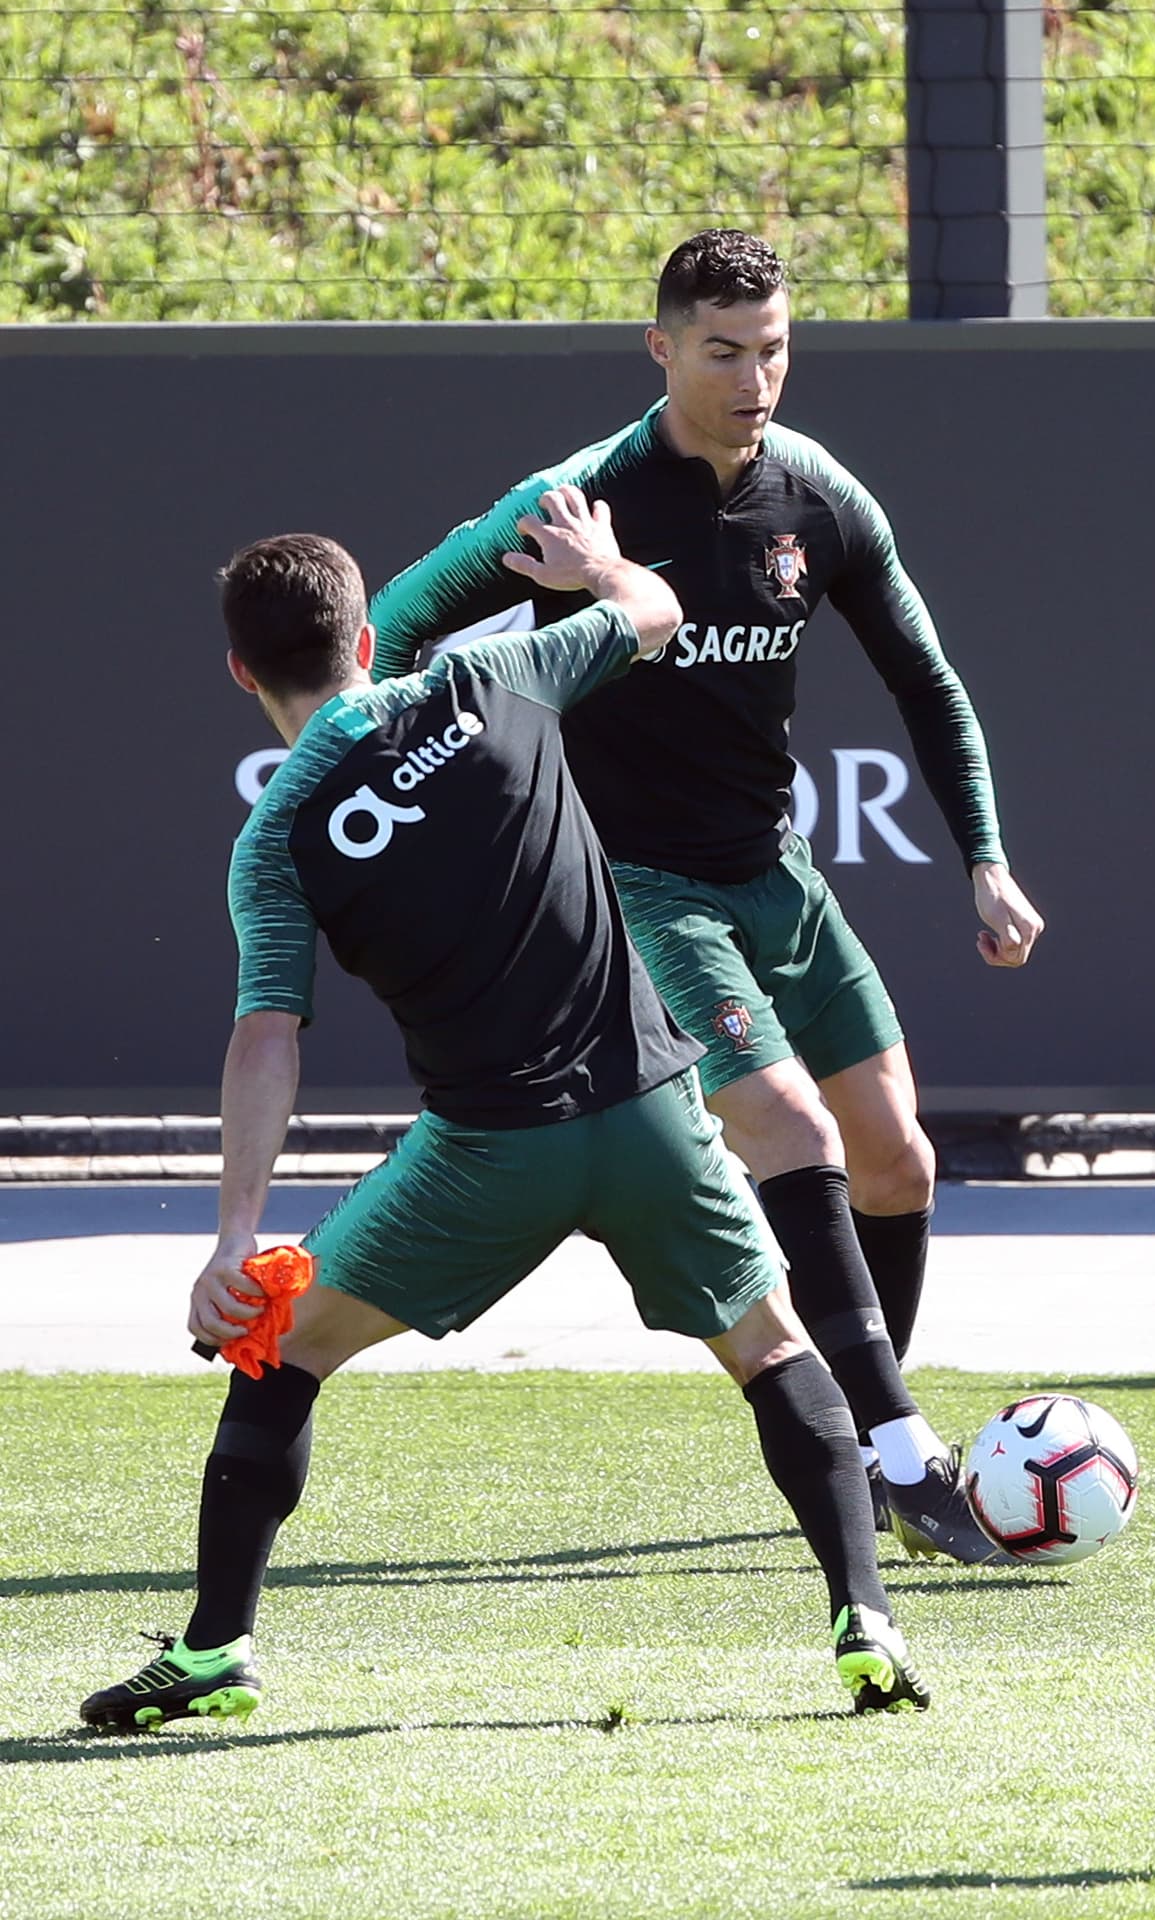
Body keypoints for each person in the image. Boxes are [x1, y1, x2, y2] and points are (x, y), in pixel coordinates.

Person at [81, 492, 930, 1733]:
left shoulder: (275, 840)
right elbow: (654, 611)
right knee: (773, 1350)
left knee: (279, 1345)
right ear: (364, 639)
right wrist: (597, 564)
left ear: (241, 672)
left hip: (488, 1153)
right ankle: (865, 1621)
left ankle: (215, 1648)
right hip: (652, 1114)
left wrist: (235, 1235)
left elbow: (267, 1037)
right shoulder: (489, 679)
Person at [366, 229, 1043, 1564]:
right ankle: (902, 1453)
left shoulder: (817, 495)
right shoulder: (580, 506)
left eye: (772, 349)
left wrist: (985, 855)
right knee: (790, 1128)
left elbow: (926, 680)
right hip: (636, 892)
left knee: (897, 1161)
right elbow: (394, 621)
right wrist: (434, 777)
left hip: (773, 874)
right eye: (722, 351)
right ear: (660, 348)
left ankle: (858, 1440)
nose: (753, 378)